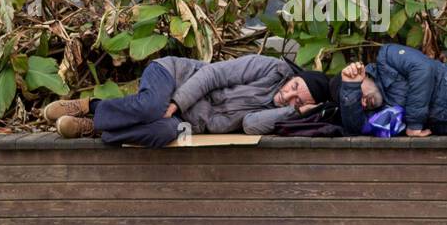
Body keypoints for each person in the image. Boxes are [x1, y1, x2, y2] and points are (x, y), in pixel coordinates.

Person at [45, 54, 331, 146]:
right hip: (176, 76)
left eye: (296, 101)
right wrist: (178, 103)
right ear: (294, 76)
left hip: (184, 121)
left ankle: (95, 129)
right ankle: (89, 107)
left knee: (166, 131)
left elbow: (250, 125)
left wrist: (294, 113)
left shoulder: (274, 112)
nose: (288, 95)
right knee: (151, 106)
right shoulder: (272, 68)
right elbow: (214, 74)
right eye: (294, 86)